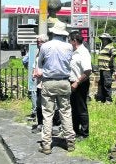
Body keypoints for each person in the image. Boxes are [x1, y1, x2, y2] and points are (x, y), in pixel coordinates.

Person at [35, 23, 76, 155]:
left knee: (47, 114)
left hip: (49, 82)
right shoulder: (69, 47)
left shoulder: (45, 46)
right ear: (63, 34)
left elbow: (40, 63)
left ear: (52, 33)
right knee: (66, 111)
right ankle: (70, 142)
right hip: (64, 81)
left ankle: (46, 144)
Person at [69, 31, 92, 140]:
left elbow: (87, 71)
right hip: (72, 82)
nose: (69, 42)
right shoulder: (74, 51)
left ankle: (84, 132)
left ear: (74, 41)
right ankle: (75, 130)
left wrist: (77, 82)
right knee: (74, 108)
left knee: (81, 107)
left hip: (80, 83)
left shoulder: (83, 52)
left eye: (70, 40)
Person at [31, 34, 49, 133]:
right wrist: (33, 72)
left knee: (46, 104)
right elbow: (35, 64)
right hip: (39, 82)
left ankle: (47, 124)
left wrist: (41, 73)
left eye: (40, 42)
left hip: (46, 81)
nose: (38, 44)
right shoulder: (38, 52)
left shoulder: (48, 52)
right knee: (38, 104)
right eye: (37, 42)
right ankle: (40, 123)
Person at [95, 33, 116, 103]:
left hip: (107, 69)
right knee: (102, 84)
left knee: (107, 84)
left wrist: (110, 61)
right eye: (102, 39)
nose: (103, 40)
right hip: (102, 69)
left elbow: (114, 53)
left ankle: (108, 99)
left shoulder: (110, 47)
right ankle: (103, 98)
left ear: (107, 40)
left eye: (104, 39)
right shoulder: (102, 47)